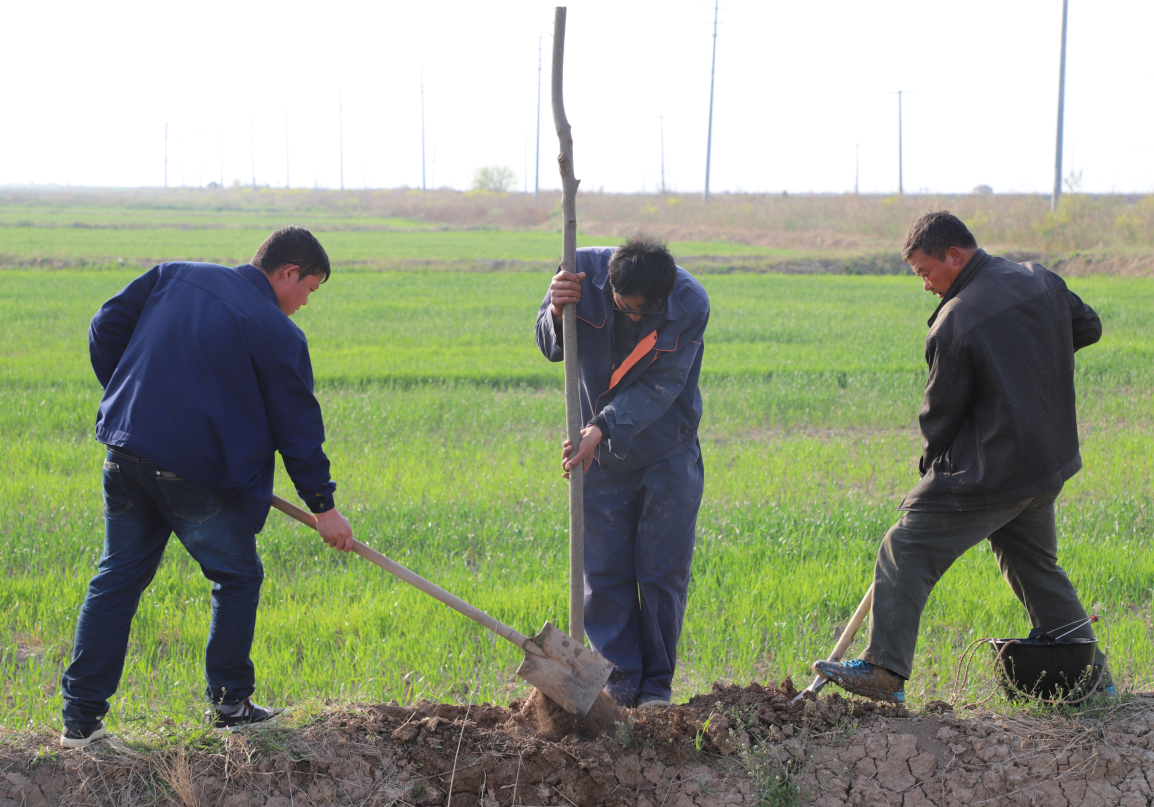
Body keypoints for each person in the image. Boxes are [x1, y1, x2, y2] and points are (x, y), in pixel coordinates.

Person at [60, 226, 354, 748]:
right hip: (192, 477)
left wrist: (135, 401)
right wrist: (323, 506)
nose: (306, 302)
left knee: (117, 580)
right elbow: (298, 429)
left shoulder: (177, 276)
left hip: (126, 452)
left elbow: (105, 325)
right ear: (289, 273)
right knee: (237, 577)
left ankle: (80, 723)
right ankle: (230, 705)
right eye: (310, 288)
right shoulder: (278, 333)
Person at [814, 210, 1108, 703]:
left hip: (995, 470)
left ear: (955, 255)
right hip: (1047, 461)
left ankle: (884, 670)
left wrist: (929, 472)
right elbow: (1088, 327)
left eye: (926, 272)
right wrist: (1029, 359)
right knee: (1033, 564)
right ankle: (1092, 678)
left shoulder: (956, 320)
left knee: (906, 546)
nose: (926, 285)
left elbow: (940, 416)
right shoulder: (1040, 280)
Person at [535, 234, 710, 709]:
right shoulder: (577, 272)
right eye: (624, 307)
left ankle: (654, 691)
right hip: (601, 458)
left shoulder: (689, 302)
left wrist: (601, 427)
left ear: (663, 295)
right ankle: (619, 688)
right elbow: (550, 346)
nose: (633, 317)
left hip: (666, 450)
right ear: (610, 286)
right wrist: (556, 311)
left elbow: (662, 385)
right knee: (603, 574)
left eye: (643, 311)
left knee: (661, 573)